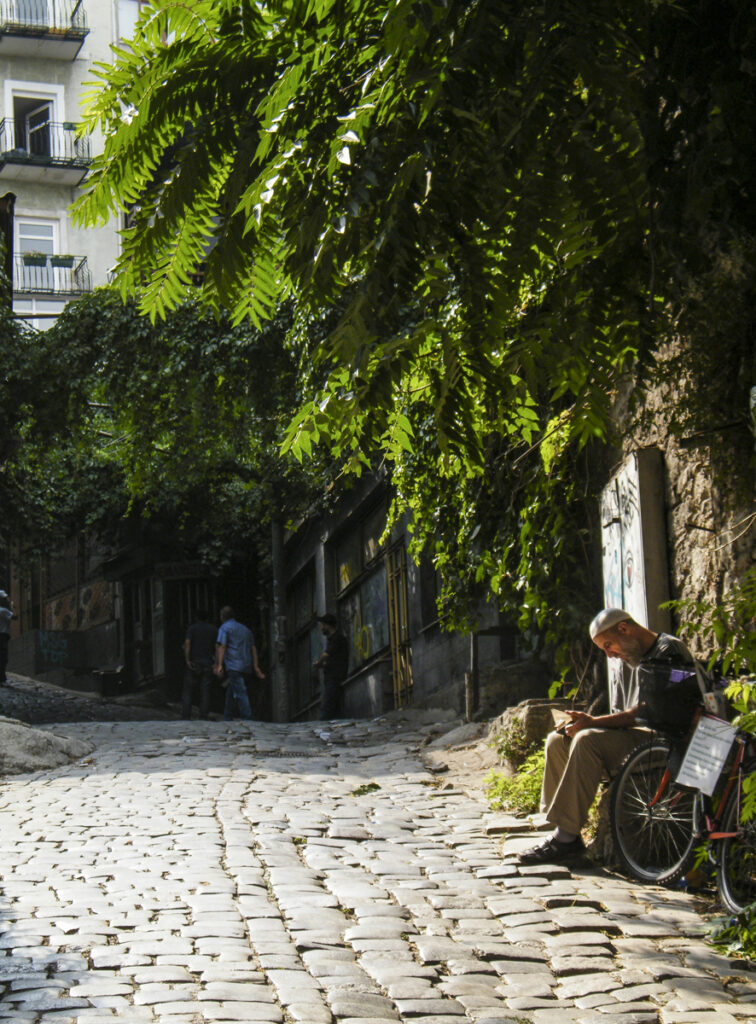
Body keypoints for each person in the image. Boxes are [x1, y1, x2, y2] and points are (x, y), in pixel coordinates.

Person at [518, 608, 695, 866]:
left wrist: (592, 723)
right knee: (558, 741)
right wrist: (579, 722)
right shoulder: (631, 658)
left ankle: (564, 840)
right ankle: (563, 829)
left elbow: (646, 713)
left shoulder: (668, 651)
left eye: (609, 645)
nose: (610, 654)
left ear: (624, 629)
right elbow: (624, 713)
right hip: (636, 738)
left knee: (587, 740)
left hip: (662, 742)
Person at [214, 606, 265, 721]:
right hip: (246, 665)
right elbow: (253, 648)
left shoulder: (224, 628)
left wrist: (220, 664)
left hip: (234, 665)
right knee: (232, 689)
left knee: (240, 691)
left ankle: (247, 717)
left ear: (222, 617)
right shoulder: (245, 630)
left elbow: (222, 645)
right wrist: (256, 667)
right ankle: (227, 716)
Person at [182, 608, 217, 719]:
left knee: (188, 690)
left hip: (194, 662)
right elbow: (217, 646)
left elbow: (187, 644)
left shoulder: (192, 629)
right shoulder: (213, 629)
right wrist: (217, 662)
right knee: (205, 690)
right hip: (207, 661)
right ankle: (203, 714)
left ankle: (186, 714)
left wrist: (187, 660)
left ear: (196, 617)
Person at [313, 613, 349, 720]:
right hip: (332, 677)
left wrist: (319, 663)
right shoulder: (333, 639)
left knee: (326, 709)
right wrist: (323, 665)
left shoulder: (337, 638)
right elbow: (334, 659)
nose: (321, 628)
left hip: (335, 678)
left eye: (323, 625)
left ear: (328, 625)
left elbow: (326, 654)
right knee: (335, 711)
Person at [0, 590, 14, 685]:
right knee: (3, 657)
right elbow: (15, 617)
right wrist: (12, 606)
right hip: (2, 635)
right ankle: (1, 678)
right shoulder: (3, 611)